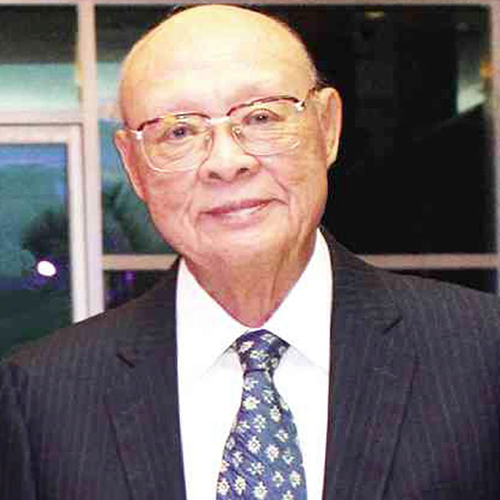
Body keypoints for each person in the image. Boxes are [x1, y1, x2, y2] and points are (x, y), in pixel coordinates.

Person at [1, 5, 500, 500]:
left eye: (261, 116)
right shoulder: (42, 398)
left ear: (327, 127)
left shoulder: (481, 354)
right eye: (179, 131)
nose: (226, 161)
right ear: (133, 165)